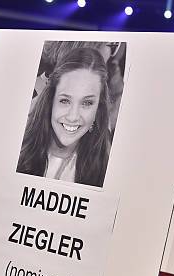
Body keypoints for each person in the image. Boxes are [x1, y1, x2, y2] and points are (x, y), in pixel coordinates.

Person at [17, 47, 111, 187]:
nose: (73, 117)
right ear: (50, 99)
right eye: (65, 101)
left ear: (98, 109)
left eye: (87, 103)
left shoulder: (105, 171)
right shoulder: (16, 147)